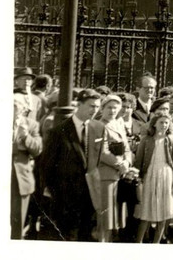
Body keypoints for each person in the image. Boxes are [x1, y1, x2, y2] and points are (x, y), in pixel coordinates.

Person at [42, 88, 101, 241]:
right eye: (91, 106)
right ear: (79, 105)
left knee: (86, 237)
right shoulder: (59, 131)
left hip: (89, 197)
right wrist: (57, 193)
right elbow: (47, 166)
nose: (94, 110)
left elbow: (97, 158)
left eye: (97, 106)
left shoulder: (98, 128)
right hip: (66, 198)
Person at [133, 112, 173, 244]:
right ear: (154, 123)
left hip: (166, 175)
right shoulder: (146, 140)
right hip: (149, 175)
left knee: (164, 212)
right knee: (146, 211)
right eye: (161, 122)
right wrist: (138, 178)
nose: (164, 125)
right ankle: (138, 242)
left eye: (167, 122)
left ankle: (156, 244)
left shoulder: (171, 140)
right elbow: (138, 161)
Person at [88, 93, 132, 242]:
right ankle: (102, 242)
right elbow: (102, 151)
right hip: (105, 175)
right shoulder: (98, 125)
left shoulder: (118, 124)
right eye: (109, 107)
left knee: (115, 215)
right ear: (102, 108)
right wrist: (119, 164)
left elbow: (126, 147)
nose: (112, 111)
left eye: (115, 108)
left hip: (119, 174)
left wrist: (127, 162)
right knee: (105, 215)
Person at [11, 92, 42, 240]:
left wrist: (25, 137)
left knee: (17, 219)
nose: (12, 108)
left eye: (15, 106)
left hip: (20, 176)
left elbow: (37, 150)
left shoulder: (31, 125)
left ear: (23, 109)